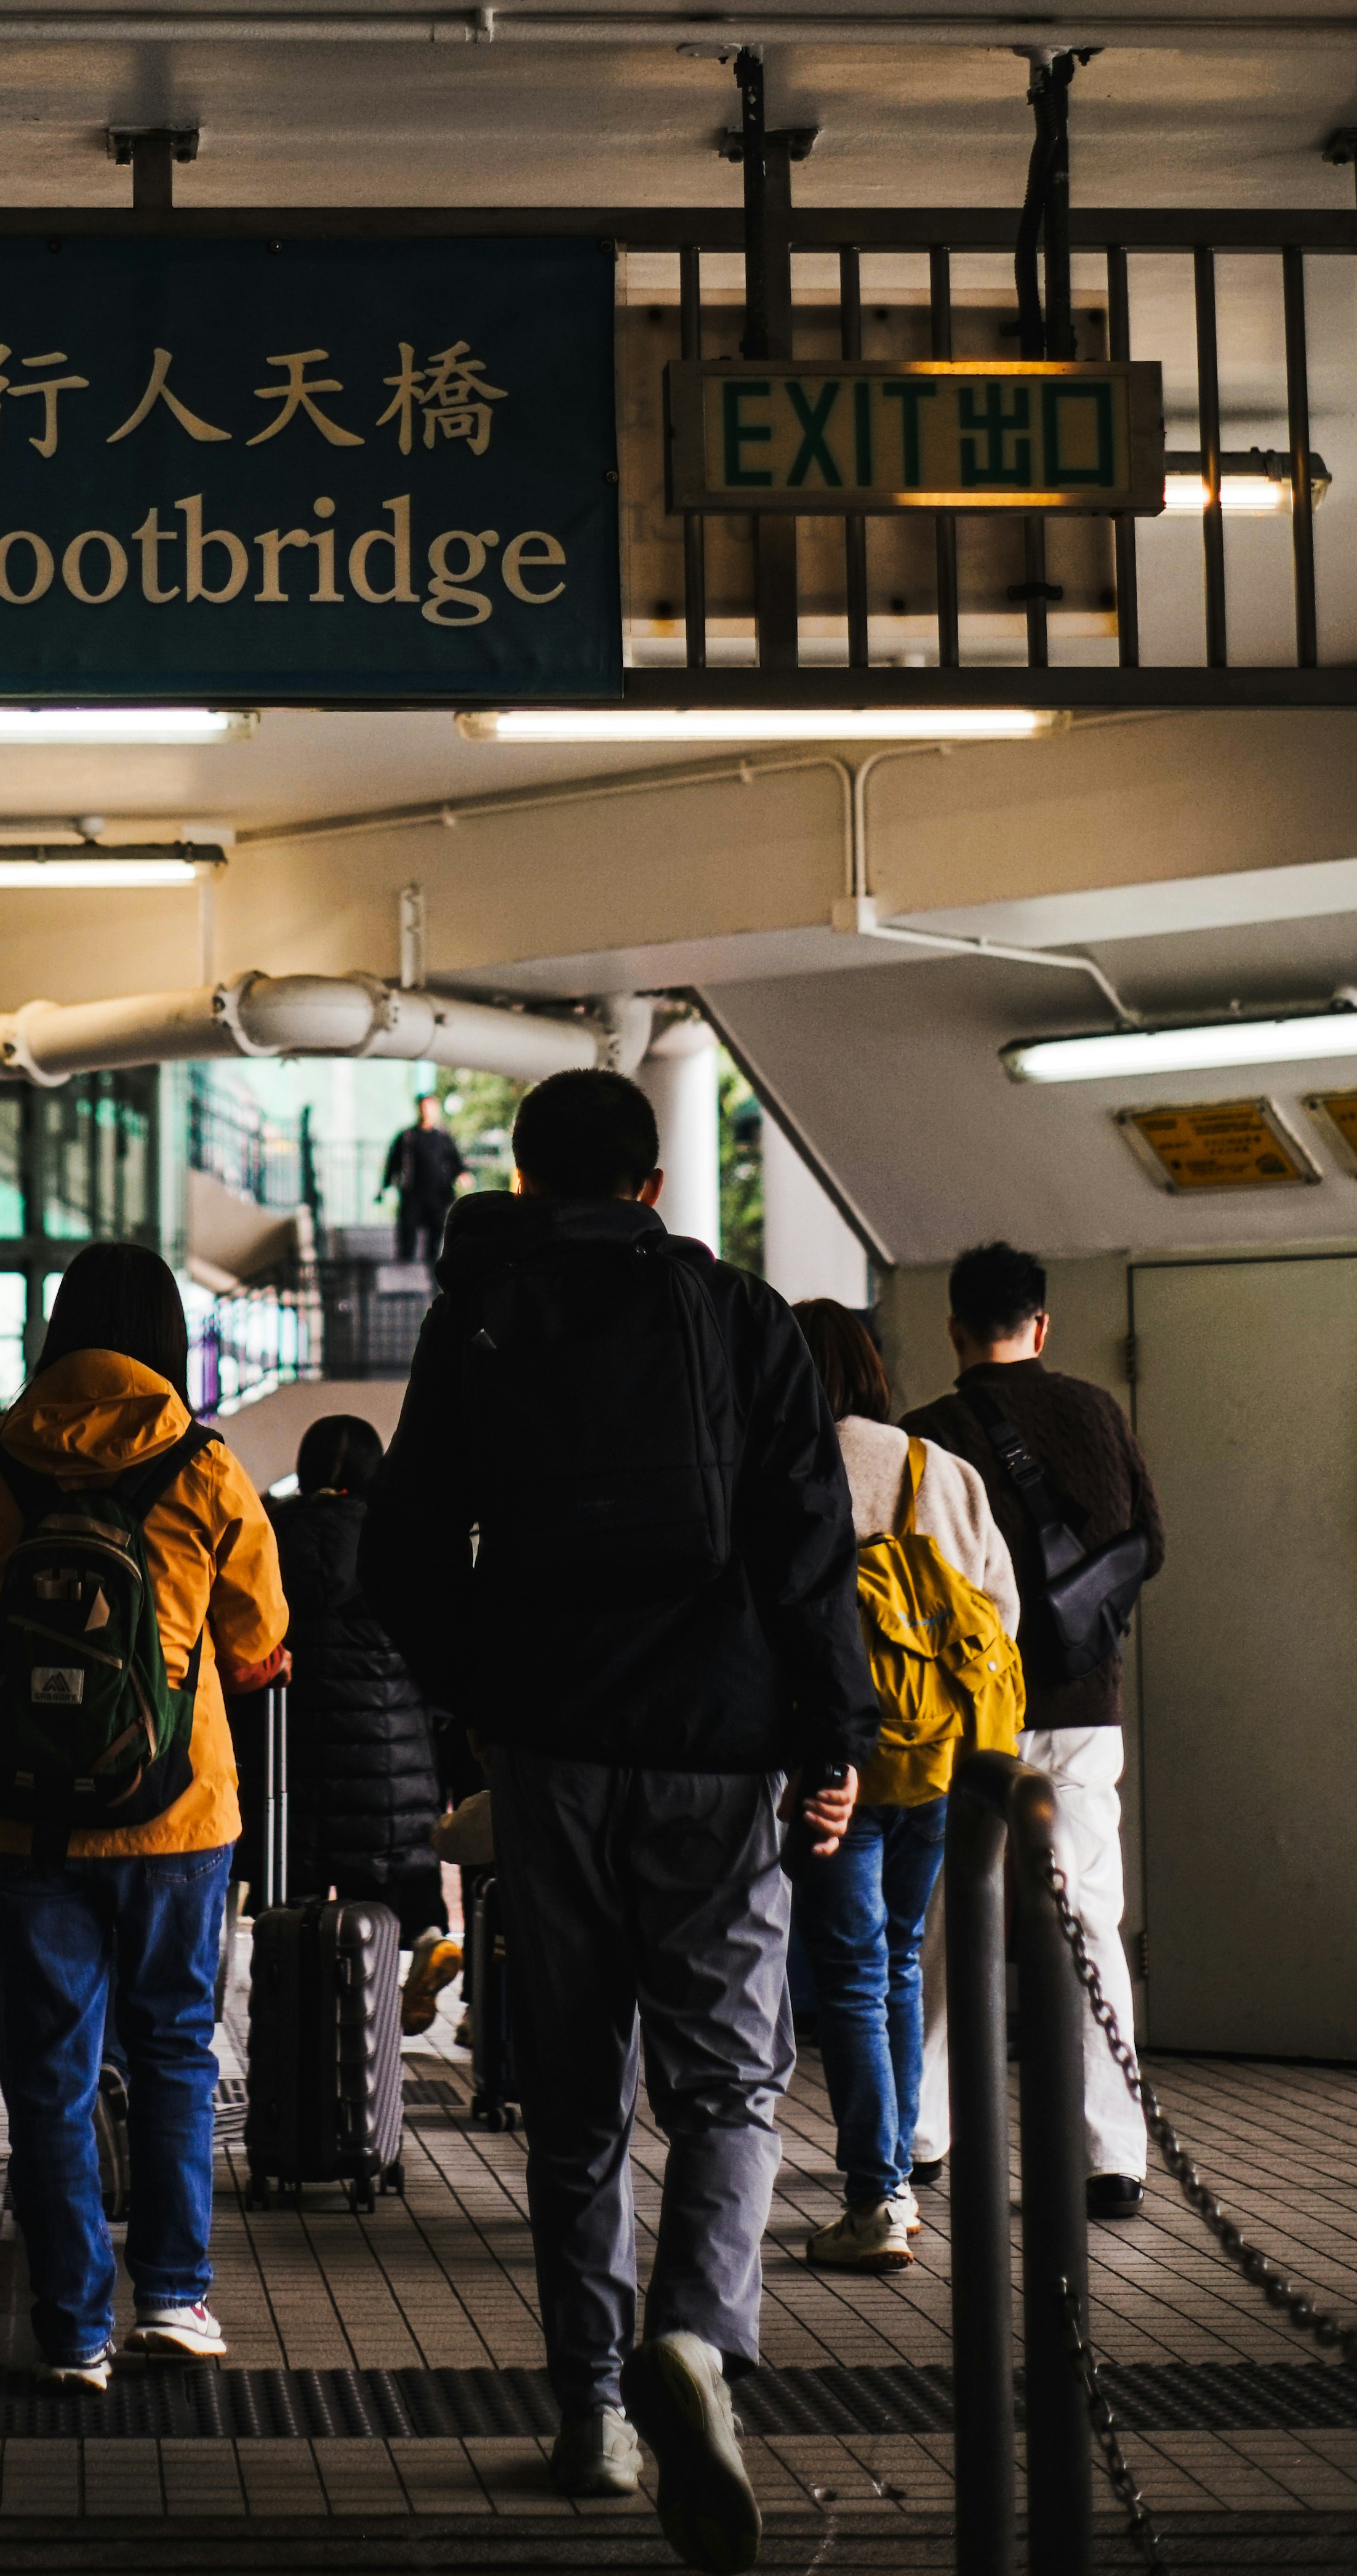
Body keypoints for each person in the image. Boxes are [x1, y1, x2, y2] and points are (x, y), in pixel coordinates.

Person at [363, 1069, 871, 2568]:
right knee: (726, 2084)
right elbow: (807, 1541)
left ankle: (593, 2413)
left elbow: (399, 1550)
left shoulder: (484, 1315)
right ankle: (701, 2340)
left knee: (579, 2100)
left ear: (524, 1181)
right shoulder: (740, 1314)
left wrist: (491, 1694)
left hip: (555, 1754)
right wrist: (831, 1732)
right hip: (722, 1747)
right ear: (656, 1184)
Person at [0, 1239, 288, 2390]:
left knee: (49, 2065)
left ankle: (70, 2328)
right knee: (172, 2050)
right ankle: (174, 2297)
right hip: (175, 1814)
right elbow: (255, 1640)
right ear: (162, 1334)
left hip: (22, 1816)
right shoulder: (203, 1464)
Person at [902, 1241, 1165, 2220]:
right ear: (1042, 1325)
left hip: (972, 1722)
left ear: (955, 1327)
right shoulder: (1098, 1410)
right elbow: (1153, 1544)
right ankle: (1112, 2155)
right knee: (1091, 1924)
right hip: (1084, 1711)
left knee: (944, 1928)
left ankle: (923, 2137)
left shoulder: (924, 1437)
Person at [788, 1299, 1020, 2273]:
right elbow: (998, 1611)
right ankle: (897, 2180)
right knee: (897, 1959)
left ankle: (876, 2195)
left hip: (834, 1763)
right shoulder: (940, 1470)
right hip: (939, 1759)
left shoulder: (789, 1469)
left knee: (846, 1970)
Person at [265, 1409, 458, 2032]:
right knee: (377, 1907)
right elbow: (435, 1654)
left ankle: (301, 2023)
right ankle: (393, 1987)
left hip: (290, 1763)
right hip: (387, 1765)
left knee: (297, 1910)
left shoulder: (269, 1535)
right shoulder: (400, 1540)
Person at [381, 1091, 464, 1267]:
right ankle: (406, 1271)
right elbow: (393, 1162)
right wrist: (385, 1185)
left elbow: (455, 1161)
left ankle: (431, 1273)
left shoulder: (442, 1137)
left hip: (437, 1195)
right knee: (408, 1234)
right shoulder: (408, 1137)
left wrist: (461, 1174)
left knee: (435, 1237)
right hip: (413, 1195)